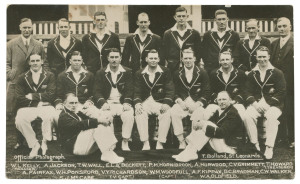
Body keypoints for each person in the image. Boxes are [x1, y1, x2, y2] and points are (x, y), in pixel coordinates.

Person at [172, 91, 242, 162]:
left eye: (224, 99)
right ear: (216, 101)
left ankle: (191, 152)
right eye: (219, 100)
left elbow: (222, 132)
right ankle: (188, 152)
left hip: (230, 148)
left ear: (230, 100)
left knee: (206, 125)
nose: (222, 102)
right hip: (219, 142)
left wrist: (202, 125)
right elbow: (209, 122)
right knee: (204, 124)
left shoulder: (233, 113)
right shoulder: (219, 110)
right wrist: (199, 124)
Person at [244, 46, 286, 160]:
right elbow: (247, 91)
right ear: (256, 57)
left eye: (264, 56)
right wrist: (255, 104)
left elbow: (281, 92)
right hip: (256, 104)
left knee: (272, 117)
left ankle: (269, 147)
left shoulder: (277, 72)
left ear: (269, 57)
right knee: (247, 115)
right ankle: (255, 144)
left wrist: (268, 104)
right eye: (259, 57)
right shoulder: (252, 73)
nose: (262, 59)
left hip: (273, 104)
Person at [58, 93, 124, 164]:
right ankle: (107, 154)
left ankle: (108, 152)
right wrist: (99, 120)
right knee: (97, 126)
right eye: (71, 103)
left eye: (76, 103)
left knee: (101, 123)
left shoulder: (75, 112)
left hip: (81, 144)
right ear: (64, 103)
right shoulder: (63, 116)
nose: (74, 105)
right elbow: (79, 124)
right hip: (74, 148)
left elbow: (89, 119)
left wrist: (103, 119)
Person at [14, 53, 56, 158]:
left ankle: (44, 142)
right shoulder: (22, 77)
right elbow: (19, 98)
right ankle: (34, 143)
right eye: (33, 61)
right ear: (29, 63)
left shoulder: (50, 75)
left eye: (37, 60)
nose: (35, 63)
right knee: (19, 120)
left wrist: (32, 95)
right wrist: (39, 102)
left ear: (42, 61)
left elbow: (51, 95)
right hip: (28, 107)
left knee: (50, 116)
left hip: (46, 107)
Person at [93, 48, 134, 151]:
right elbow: (97, 91)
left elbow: (130, 90)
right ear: (108, 58)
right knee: (105, 116)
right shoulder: (101, 73)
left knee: (129, 115)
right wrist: (103, 103)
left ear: (120, 58)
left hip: (122, 103)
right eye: (112, 57)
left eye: (116, 57)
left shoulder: (127, 72)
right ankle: (111, 143)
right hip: (108, 103)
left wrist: (127, 102)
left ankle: (125, 141)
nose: (114, 60)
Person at [134, 49, 174, 150]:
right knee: (139, 112)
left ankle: (160, 142)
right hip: (145, 101)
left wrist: (167, 103)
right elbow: (137, 91)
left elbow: (170, 89)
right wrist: (138, 103)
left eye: (155, 58)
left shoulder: (165, 71)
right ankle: (145, 142)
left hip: (159, 101)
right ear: (146, 59)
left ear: (159, 59)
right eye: (151, 58)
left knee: (166, 113)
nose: (153, 60)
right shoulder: (140, 73)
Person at [170, 48, 210, 149]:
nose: (188, 60)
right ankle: (181, 141)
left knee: (200, 113)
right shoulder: (176, 73)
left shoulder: (202, 72)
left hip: (196, 103)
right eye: (185, 58)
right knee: (174, 112)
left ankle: (193, 142)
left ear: (194, 59)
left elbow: (206, 92)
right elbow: (174, 92)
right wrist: (180, 102)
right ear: (182, 59)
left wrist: (197, 104)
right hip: (182, 103)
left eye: (190, 58)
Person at [7, 18, 46, 119]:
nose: (26, 30)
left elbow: (44, 62)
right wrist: (10, 74)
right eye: (24, 27)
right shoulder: (11, 44)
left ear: (32, 28)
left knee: (32, 109)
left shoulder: (38, 44)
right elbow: (5, 62)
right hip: (15, 81)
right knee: (11, 109)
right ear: (20, 28)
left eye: (29, 27)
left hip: (33, 82)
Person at [270, 17, 294, 148]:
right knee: (279, 110)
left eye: (285, 26)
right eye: (279, 27)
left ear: (290, 26)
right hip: (277, 84)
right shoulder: (274, 44)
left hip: (292, 83)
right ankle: (281, 138)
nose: (282, 29)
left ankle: (293, 138)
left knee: (291, 110)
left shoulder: (295, 42)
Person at [55, 51, 97, 120]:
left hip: (84, 105)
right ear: (70, 61)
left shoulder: (89, 75)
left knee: (97, 116)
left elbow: (93, 93)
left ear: (82, 61)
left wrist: (89, 101)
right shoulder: (62, 76)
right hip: (68, 106)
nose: (77, 62)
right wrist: (59, 104)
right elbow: (58, 95)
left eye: (79, 60)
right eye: (74, 60)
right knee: (57, 117)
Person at [207, 50, 247, 121]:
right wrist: (217, 100)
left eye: (227, 59)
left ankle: (244, 132)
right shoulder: (214, 74)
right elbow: (211, 91)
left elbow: (243, 91)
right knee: (207, 112)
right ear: (219, 61)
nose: (225, 62)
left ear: (232, 60)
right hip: (218, 103)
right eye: (222, 60)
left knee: (243, 114)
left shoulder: (240, 74)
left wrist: (234, 101)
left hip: (234, 103)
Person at [163, 7, 201, 71]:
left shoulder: (194, 33)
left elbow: (198, 52)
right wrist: (172, 62)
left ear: (187, 17)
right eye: (179, 16)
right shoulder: (168, 33)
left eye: (183, 16)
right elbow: (165, 52)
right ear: (175, 17)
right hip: (173, 68)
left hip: (189, 68)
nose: (181, 18)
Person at [201, 9, 240, 74]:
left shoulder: (234, 35)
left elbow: (236, 53)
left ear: (227, 19)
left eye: (223, 19)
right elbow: (204, 52)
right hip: (211, 69)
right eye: (219, 19)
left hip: (228, 69)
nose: (221, 22)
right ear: (215, 20)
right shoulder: (208, 35)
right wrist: (209, 64)